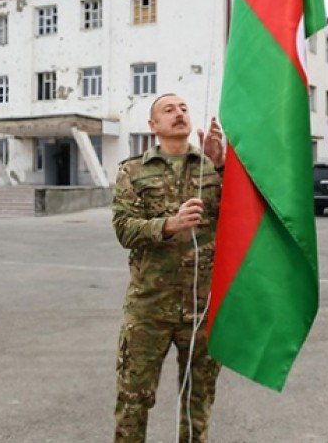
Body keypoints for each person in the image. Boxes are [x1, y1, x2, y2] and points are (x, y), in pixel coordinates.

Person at [111, 93, 225, 442]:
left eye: (184, 109)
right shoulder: (134, 171)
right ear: (153, 126)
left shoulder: (211, 167)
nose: (179, 114)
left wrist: (222, 167)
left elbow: (241, 221)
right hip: (150, 309)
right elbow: (124, 228)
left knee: (198, 403)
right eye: (168, 110)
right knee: (133, 401)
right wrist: (168, 225)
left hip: (202, 309)